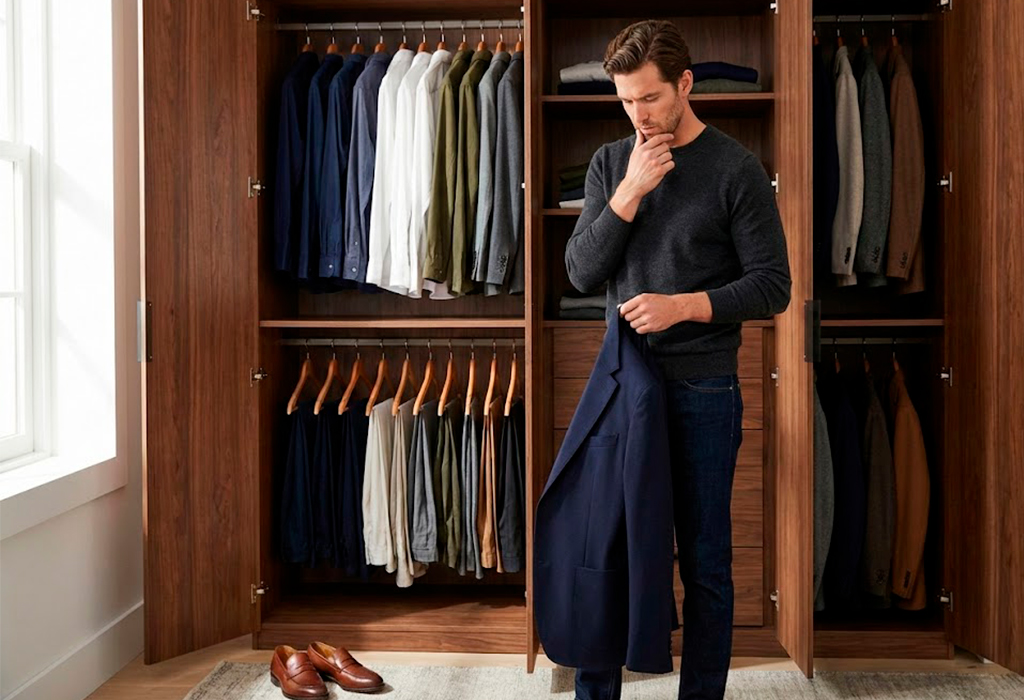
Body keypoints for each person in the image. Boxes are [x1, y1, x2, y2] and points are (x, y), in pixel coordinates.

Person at [564, 20, 792, 700]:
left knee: (705, 564)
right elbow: (580, 271)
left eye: (651, 98)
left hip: (703, 390)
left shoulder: (735, 169)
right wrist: (629, 191)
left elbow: (772, 285)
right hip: (620, 387)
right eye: (627, 100)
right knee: (606, 552)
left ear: (686, 85)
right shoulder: (612, 163)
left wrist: (683, 305)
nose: (639, 114)